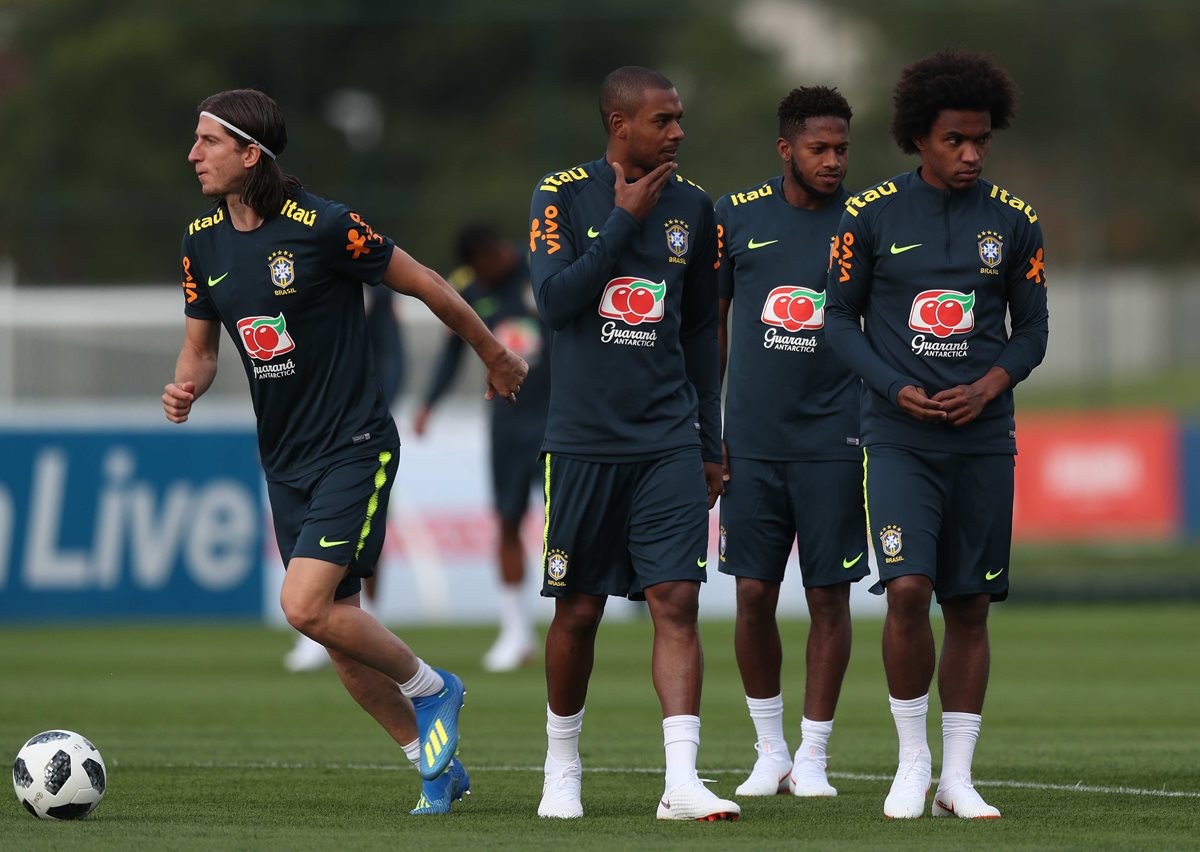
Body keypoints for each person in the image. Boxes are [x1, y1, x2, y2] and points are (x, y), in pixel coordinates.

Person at [164, 88, 527, 816]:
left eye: (207, 141)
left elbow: (424, 282)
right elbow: (200, 349)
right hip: (285, 458)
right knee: (340, 638)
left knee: (302, 606)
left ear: (249, 152)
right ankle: (434, 769)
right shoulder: (201, 241)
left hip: (353, 444)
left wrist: (492, 353)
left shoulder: (324, 226)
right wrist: (186, 385)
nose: (193, 154)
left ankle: (434, 688)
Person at [824, 50, 1048, 819]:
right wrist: (895, 387)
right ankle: (911, 762)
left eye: (982, 140)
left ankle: (958, 775)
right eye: (956, 140)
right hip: (897, 436)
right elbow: (835, 318)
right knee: (908, 588)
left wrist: (991, 385)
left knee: (971, 603)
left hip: (984, 440)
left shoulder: (1015, 222)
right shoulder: (871, 215)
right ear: (920, 137)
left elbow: (1034, 330)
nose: (972, 154)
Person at [528, 66, 736, 822]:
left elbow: (698, 334)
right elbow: (555, 302)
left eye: (679, 118)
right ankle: (561, 767)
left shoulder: (697, 208)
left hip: (667, 443)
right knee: (578, 610)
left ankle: (681, 780)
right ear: (620, 125)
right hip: (582, 443)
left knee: (676, 600)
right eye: (663, 120)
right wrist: (621, 220)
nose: (678, 131)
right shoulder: (558, 195)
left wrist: (710, 442)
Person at [715, 85, 868, 800]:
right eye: (819, 148)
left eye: (841, 148)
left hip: (835, 437)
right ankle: (769, 749)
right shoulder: (735, 218)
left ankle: (814, 755)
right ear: (786, 149)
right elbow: (707, 326)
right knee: (752, 594)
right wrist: (706, 426)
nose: (833, 161)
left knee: (829, 595)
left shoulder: (865, 223)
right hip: (751, 441)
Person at [413, 223, 550, 672]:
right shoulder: (468, 288)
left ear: (497, 251)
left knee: (572, 521)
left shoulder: (539, 268)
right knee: (508, 521)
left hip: (559, 418)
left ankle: (593, 615)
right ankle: (516, 631)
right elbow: (452, 353)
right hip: (508, 422)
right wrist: (429, 404)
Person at [284, 282, 407, 672]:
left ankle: (370, 618)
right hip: (299, 436)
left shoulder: (373, 285)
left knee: (367, 533)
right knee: (306, 538)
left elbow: (395, 354)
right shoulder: (292, 274)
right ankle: (316, 632)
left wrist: (376, 406)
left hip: (359, 435)